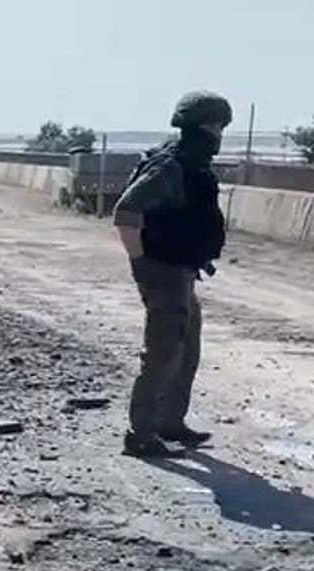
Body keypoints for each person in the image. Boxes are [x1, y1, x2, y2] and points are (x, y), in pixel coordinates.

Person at [112, 91, 232, 457]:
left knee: (187, 348)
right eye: (213, 125)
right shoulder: (171, 166)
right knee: (163, 351)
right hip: (163, 270)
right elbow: (125, 211)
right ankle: (142, 434)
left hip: (181, 270)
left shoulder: (192, 164)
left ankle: (170, 423)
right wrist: (142, 265)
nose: (217, 133)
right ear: (195, 126)